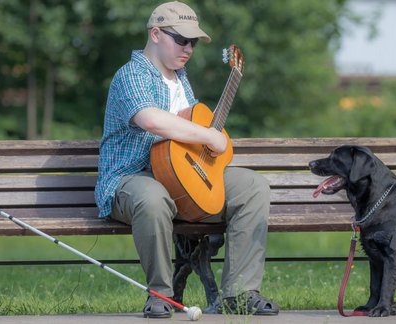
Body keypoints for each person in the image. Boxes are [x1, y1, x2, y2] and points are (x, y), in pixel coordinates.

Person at [94, 1, 279, 319]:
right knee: (152, 199)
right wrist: (209, 137)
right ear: (155, 33)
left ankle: (240, 293)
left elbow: (191, 129)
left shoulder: (181, 79)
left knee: (253, 186)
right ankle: (161, 295)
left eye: (193, 41)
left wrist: (209, 145)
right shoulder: (132, 75)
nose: (189, 48)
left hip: (181, 180)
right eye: (181, 39)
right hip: (131, 179)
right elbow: (151, 119)